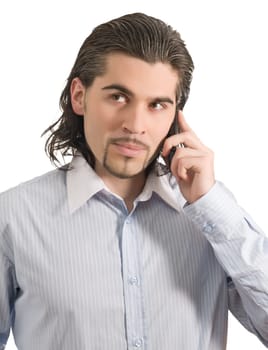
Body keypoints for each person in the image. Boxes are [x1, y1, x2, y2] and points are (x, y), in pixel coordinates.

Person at [0, 12, 267, 350]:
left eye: (157, 105)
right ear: (79, 96)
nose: (136, 124)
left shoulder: (213, 217)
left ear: (176, 116)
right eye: (118, 97)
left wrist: (211, 205)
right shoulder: (12, 217)